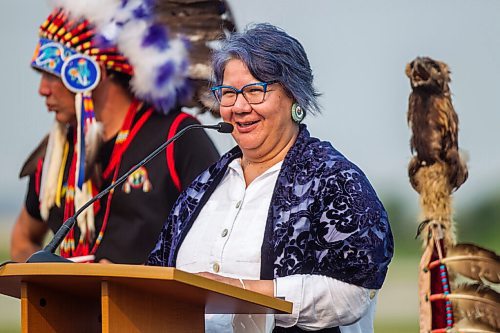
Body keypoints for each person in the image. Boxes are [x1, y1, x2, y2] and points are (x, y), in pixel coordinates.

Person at [147, 23, 394, 333]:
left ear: (294, 97)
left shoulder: (335, 180)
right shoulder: (203, 187)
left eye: (254, 91)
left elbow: (353, 293)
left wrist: (235, 290)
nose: (238, 107)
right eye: (228, 93)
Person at [10, 1, 223, 264]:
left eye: (53, 75)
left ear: (91, 72)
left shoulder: (177, 137)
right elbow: (22, 238)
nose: (43, 89)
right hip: (70, 304)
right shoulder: (57, 152)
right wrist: (44, 282)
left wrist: (130, 284)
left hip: (148, 303)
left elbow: (219, 240)